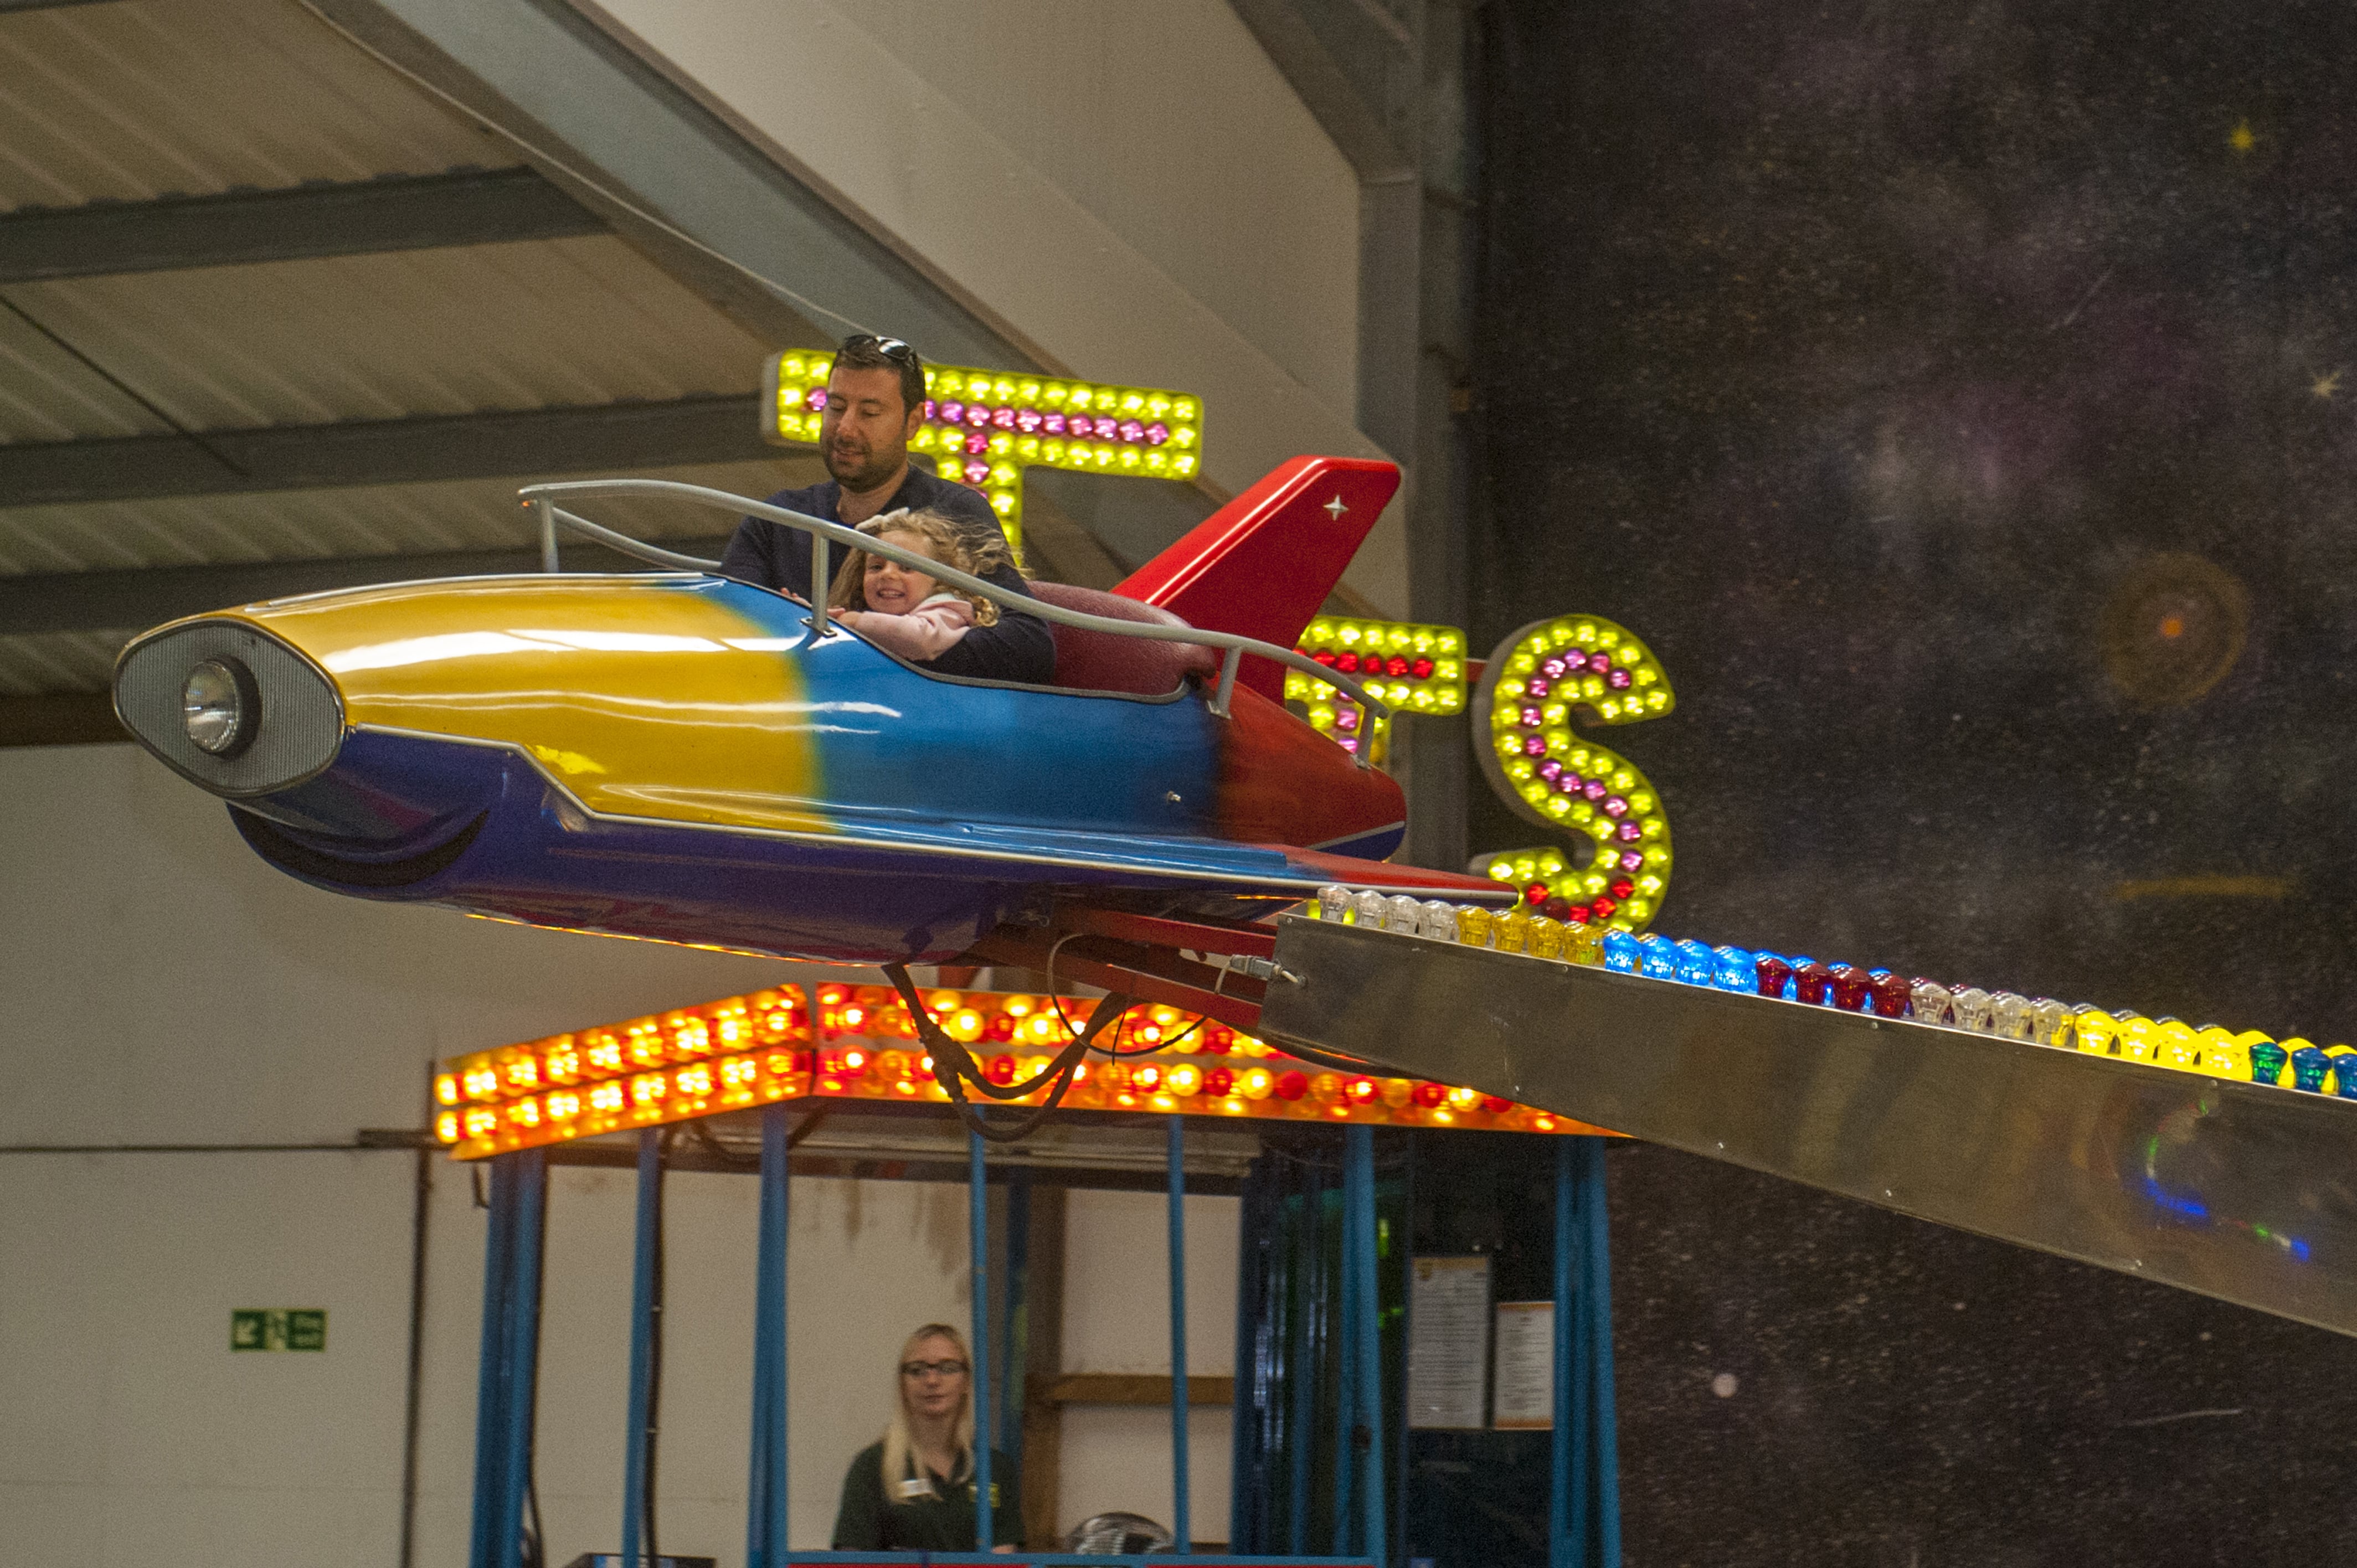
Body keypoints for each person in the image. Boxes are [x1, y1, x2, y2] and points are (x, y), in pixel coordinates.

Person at [721, 333, 1057, 685]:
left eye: (869, 413)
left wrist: (876, 645)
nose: (846, 428)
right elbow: (727, 621)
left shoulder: (956, 512)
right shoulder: (778, 518)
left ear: (913, 422)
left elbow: (1028, 648)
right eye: (836, 407)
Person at [832, 1323, 1021, 1552]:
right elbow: (852, 1561)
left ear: (966, 1382)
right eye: (918, 1370)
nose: (932, 1381)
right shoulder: (872, 1468)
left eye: (948, 1368)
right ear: (902, 1384)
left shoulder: (996, 1469)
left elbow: (1003, 1560)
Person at [828, 508, 1007, 665]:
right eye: (877, 567)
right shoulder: (864, 611)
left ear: (939, 578)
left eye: (907, 567)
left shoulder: (948, 609)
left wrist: (855, 621)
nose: (888, 574)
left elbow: (921, 639)